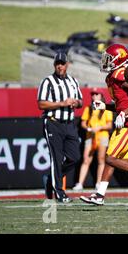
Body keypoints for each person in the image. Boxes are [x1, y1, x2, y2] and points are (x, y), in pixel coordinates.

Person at [79, 44, 128, 210]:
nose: (105, 61)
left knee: (110, 159)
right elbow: (121, 105)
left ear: (117, 60)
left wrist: (123, 113)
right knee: (122, 164)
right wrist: (105, 106)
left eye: (108, 58)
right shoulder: (112, 76)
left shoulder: (122, 74)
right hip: (125, 124)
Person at [37, 52, 83, 203]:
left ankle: (51, 179)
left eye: (62, 63)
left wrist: (76, 103)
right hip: (53, 123)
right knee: (56, 158)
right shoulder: (48, 82)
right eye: (57, 63)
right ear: (54, 65)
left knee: (75, 157)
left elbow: (81, 101)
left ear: (67, 64)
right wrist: (62, 103)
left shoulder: (73, 81)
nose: (60, 66)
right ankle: (59, 193)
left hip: (69, 124)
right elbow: (41, 104)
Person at [73, 89, 113, 191]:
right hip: (90, 136)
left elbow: (109, 125)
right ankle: (80, 183)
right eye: (93, 94)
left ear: (101, 96)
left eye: (96, 94)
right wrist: (89, 128)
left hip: (102, 136)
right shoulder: (88, 108)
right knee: (86, 159)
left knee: (101, 160)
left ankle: (99, 183)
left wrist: (99, 128)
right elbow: (83, 123)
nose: (94, 96)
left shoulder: (106, 108)